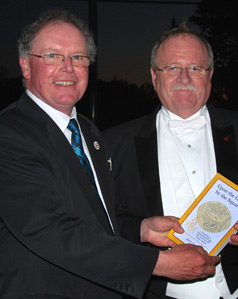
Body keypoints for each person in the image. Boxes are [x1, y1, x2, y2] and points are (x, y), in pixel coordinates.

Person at [0, 11, 221, 298]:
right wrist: (158, 263)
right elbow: (50, 231)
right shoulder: (10, 135)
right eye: (53, 56)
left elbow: (100, 215)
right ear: (26, 66)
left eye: (78, 57)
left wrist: (141, 228)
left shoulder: (90, 134)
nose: (68, 68)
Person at [103, 23, 238, 299]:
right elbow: (102, 220)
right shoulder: (113, 144)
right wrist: (141, 229)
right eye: (172, 68)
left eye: (195, 68)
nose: (184, 78)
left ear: (210, 75)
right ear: (153, 76)